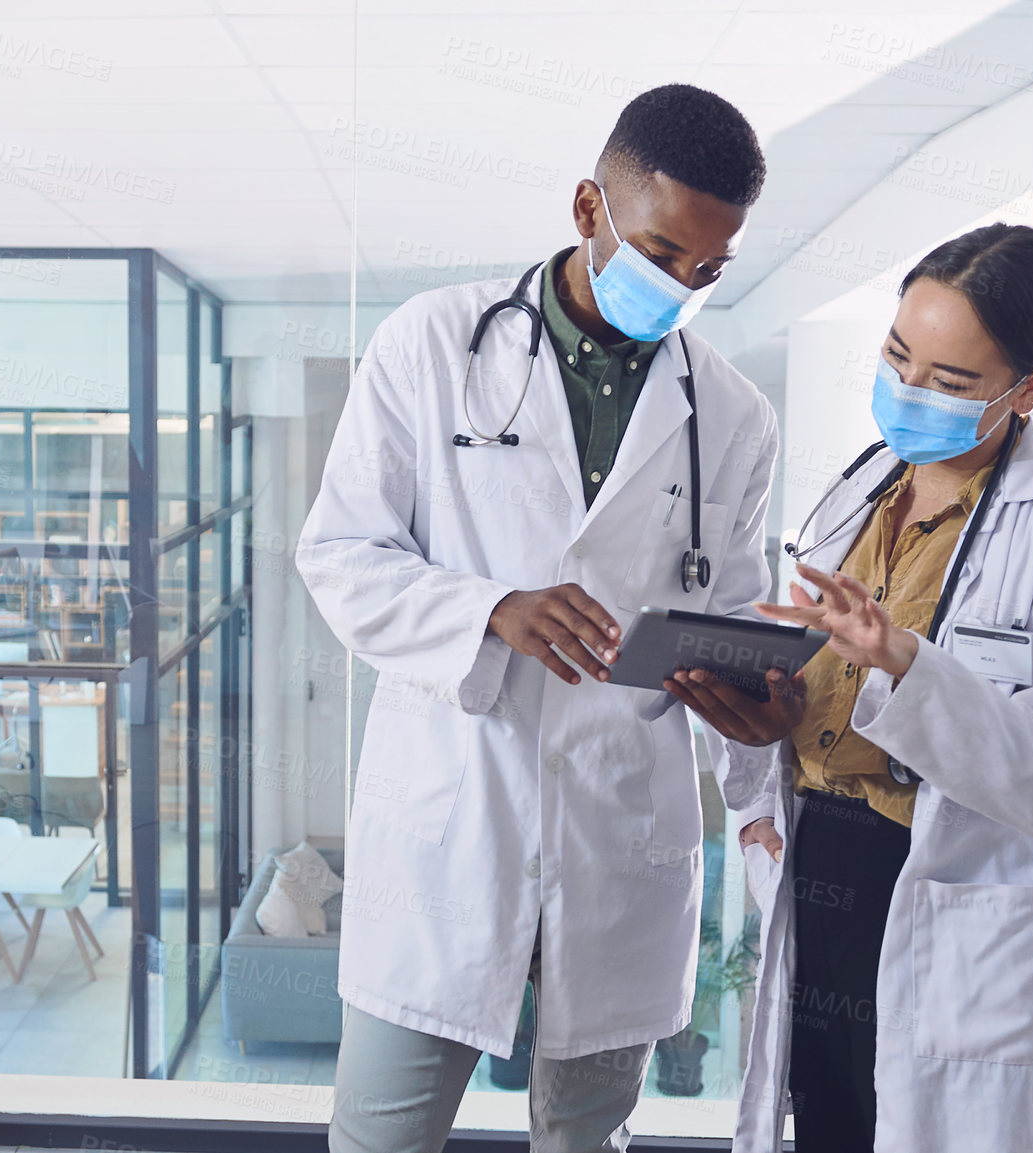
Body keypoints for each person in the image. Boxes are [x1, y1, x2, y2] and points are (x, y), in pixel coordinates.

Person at [297, 85, 778, 1153]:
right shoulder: (432, 345)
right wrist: (488, 610)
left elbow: (729, 605)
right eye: (660, 253)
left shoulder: (734, 415)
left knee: (584, 1140)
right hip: (450, 822)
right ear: (585, 209)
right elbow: (337, 555)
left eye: (708, 269)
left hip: (620, 831)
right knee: (378, 1137)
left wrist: (749, 715)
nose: (682, 286)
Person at [665, 223, 1033, 1153]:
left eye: (951, 382)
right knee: (828, 1129)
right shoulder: (855, 495)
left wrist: (907, 662)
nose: (910, 391)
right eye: (897, 357)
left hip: (947, 896)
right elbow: (807, 695)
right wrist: (760, 775)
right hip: (818, 873)